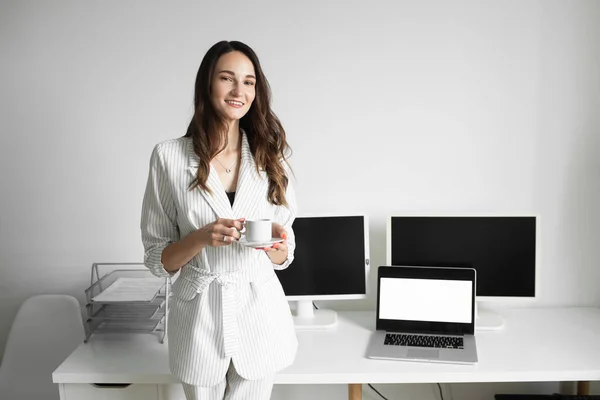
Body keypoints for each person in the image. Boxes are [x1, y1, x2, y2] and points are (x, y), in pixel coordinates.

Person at [140, 40, 298, 400]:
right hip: (199, 316)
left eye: (249, 82)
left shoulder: (271, 157)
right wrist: (199, 238)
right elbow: (157, 259)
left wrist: (275, 244)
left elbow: (285, 254)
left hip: (259, 314)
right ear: (207, 84)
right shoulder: (169, 157)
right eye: (227, 78)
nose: (239, 91)